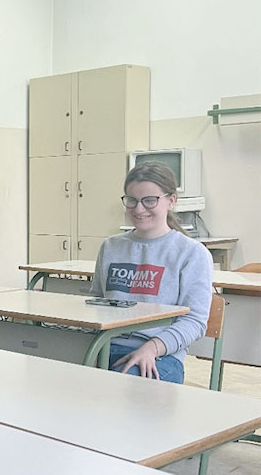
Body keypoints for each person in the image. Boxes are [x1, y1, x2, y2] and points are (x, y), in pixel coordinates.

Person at [89, 161, 212, 384]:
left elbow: (195, 321)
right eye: (132, 200)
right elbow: (95, 304)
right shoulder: (110, 247)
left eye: (149, 200)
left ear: (171, 200)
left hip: (160, 356)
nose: (139, 209)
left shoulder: (191, 253)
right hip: (103, 347)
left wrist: (152, 348)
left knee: (119, 391)